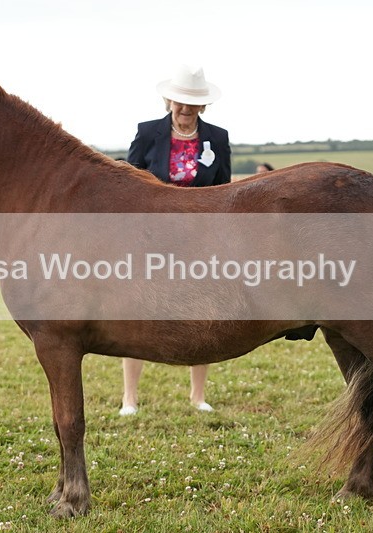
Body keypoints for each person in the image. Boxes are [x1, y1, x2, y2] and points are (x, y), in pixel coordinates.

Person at [121, 65, 231, 416]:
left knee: (201, 310)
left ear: (202, 106)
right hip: (152, 235)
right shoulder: (148, 132)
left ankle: (198, 396)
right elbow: (129, 181)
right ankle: (129, 399)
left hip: (200, 237)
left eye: (191, 104)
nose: (184, 109)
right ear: (169, 100)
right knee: (138, 311)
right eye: (179, 102)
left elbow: (224, 188)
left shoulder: (218, 137)